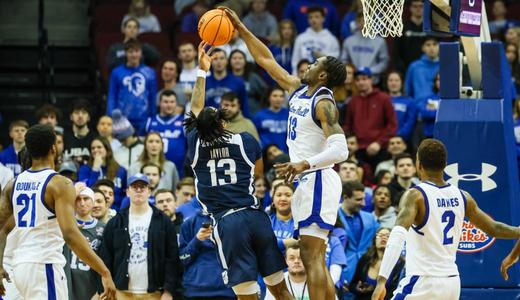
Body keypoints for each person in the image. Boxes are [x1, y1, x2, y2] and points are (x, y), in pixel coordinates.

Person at [225, 7, 349, 299]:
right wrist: (241, 28)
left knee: (312, 256)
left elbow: (340, 149)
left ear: (322, 74)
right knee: (311, 254)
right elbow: (266, 60)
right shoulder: (298, 90)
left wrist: (304, 163)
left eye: (313, 64)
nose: (306, 65)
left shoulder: (324, 103)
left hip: (318, 178)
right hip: (307, 180)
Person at [184, 41, 293, 300]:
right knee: (279, 288)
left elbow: (195, 108)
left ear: (199, 127)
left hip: (227, 222)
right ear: (223, 122)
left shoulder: (195, 144)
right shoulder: (245, 140)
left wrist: (201, 72)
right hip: (254, 215)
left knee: (247, 294)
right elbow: (257, 172)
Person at [372, 139, 520, 300]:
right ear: (445, 165)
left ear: (418, 164)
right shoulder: (463, 196)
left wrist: (381, 281)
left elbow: (397, 237)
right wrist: (517, 232)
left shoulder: (415, 196)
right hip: (451, 283)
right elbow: (494, 228)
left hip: (423, 281)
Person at [0, 124, 116, 299]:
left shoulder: (13, 184)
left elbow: (1, 228)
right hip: (44, 265)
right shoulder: (59, 183)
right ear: (53, 148)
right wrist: (104, 271)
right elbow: (70, 234)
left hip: (19, 266)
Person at [99, 174, 181, 299]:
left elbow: (172, 258)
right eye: (134, 187)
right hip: (121, 292)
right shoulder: (116, 222)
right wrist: (106, 285)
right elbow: (106, 256)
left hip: (155, 293)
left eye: (142, 187)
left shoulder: (163, 221)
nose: (138, 190)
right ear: (127, 192)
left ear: (149, 191)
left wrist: (169, 290)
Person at [344, 67, 397, 169]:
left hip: (380, 148)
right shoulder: (353, 101)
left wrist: (379, 142)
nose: (361, 82)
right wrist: (351, 140)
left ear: (371, 80)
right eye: (358, 80)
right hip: (358, 149)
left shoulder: (383, 98)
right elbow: (348, 125)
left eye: (364, 79)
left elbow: (392, 125)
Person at [179, 211, 236, 299]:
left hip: (226, 290)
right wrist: (197, 240)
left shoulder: (233, 222)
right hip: (194, 291)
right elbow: (182, 259)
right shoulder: (189, 223)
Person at [64, 185, 106, 300]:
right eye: (78, 199)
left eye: (86, 199)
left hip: (91, 287)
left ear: (92, 202)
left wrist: (100, 290)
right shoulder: (64, 225)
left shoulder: (103, 229)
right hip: (67, 286)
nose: (82, 203)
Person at [107, 39, 158, 131]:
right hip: (122, 118)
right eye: (131, 52)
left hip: (144, 119)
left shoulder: (150, 72)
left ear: (141, 53)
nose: (134, 55)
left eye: (137, 51)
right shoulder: (116, 72)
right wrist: (111, 115)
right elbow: (112, 95)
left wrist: (153, 117)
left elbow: (152, 96)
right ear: (125, 53)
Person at [337, 180, 379, 284]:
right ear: (345, 197)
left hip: (367, 273)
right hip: (342, 274)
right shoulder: (332, 218)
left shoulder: (370, 218)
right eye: (359, 200)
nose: (364, 204)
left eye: (364, 199)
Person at [349, 227, 404, 300]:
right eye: (380, 235)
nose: (383, 237)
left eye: (388, 236)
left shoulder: (399, 263)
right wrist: (358, 288)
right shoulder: (365, 259)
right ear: (374, 240)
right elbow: (352, 285)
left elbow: (397, 290)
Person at [145, 90, 187, 176]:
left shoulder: (185, 122)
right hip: (152, 169)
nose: (169, 105)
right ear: (159, 103)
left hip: (178, 170)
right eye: (165, 102)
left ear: (176, 104)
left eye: (172, 102)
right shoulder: (149, 121)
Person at [78, 137, 128, 210]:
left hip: (116, 211)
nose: (95, 150)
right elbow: (86, 192)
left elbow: (124, 194)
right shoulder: (85, 169)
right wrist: (95, 169)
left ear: (107, 149)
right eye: (93, 148)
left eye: (99, 147)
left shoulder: (120, 170)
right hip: (93, 210)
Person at [340, 14, 389, 84]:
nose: (363, 23)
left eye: (366, 21)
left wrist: (370, 71)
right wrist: (352, 71)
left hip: (373, 81)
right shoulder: (348, 41)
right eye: (360, 21)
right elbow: (343, 61)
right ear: (356, 23)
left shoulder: (380, 41)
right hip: (353, 81)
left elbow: (384, 62)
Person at [291, 6, 340, 74]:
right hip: (304, 76)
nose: (313, 20)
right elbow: (295, 61)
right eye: (310, 17)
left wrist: (323, 57)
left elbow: (336, 61)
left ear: (323, 18)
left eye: (316, 17)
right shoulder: (300, 38)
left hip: (324, 78)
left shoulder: (331, 39)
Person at [205, 48, 250, 117]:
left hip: (231, 123)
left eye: (222, 58)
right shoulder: (204, 82)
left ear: (227, 61)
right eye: (215, 59)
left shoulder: (238, 82)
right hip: (209, 122)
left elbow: (244, 106)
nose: (219, 62)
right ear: (210, 61)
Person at [392, 0, 427, 73]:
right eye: (415, 6)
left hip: (426, 70)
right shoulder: (402, 28)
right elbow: (396, 51)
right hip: (406, 70)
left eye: (421, 6)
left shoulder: (430, 29)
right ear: (410, 8)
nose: (418, 9)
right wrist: (401, 69)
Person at [229, 49, 268, 114]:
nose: (237, 61)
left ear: (245, 61)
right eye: (234, 58)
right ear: (229, 61)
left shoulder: (253, 77)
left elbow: (266, 94)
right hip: (230, 113)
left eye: (240, 58)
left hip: (252, 113)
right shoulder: (226, 77)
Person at [253, 86, 289, 152]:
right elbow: (254, 136)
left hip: (285, 154)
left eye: (281, 96)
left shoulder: (289, 114)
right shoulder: (259, 116)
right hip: (266, 154)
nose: (278, 99)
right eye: (275, 96)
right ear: (268, 98)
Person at [404, 37, 440, 102]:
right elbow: (407, 91)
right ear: (423, 48)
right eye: (428, 45)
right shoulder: (414, 67)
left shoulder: (445, 66)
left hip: (440, 106)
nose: (431, 48)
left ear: (439, 47)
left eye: (434, 44)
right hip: (419, 107)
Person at [385, 71, 417, 142]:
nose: (393, 83)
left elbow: (410, 122)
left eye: (397, 80)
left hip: (404, 141)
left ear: (402, 83)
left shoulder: (410, 102)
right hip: (384, 141)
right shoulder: (381, 101)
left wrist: (398, 136)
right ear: (386, 83)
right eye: (390, 80)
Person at [63, 99, 96, 166]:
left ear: (89, 117)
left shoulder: (96, 138)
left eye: (84, 112)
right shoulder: (63, 137)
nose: (80, 116)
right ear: (71, 117)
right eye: (76, 112)